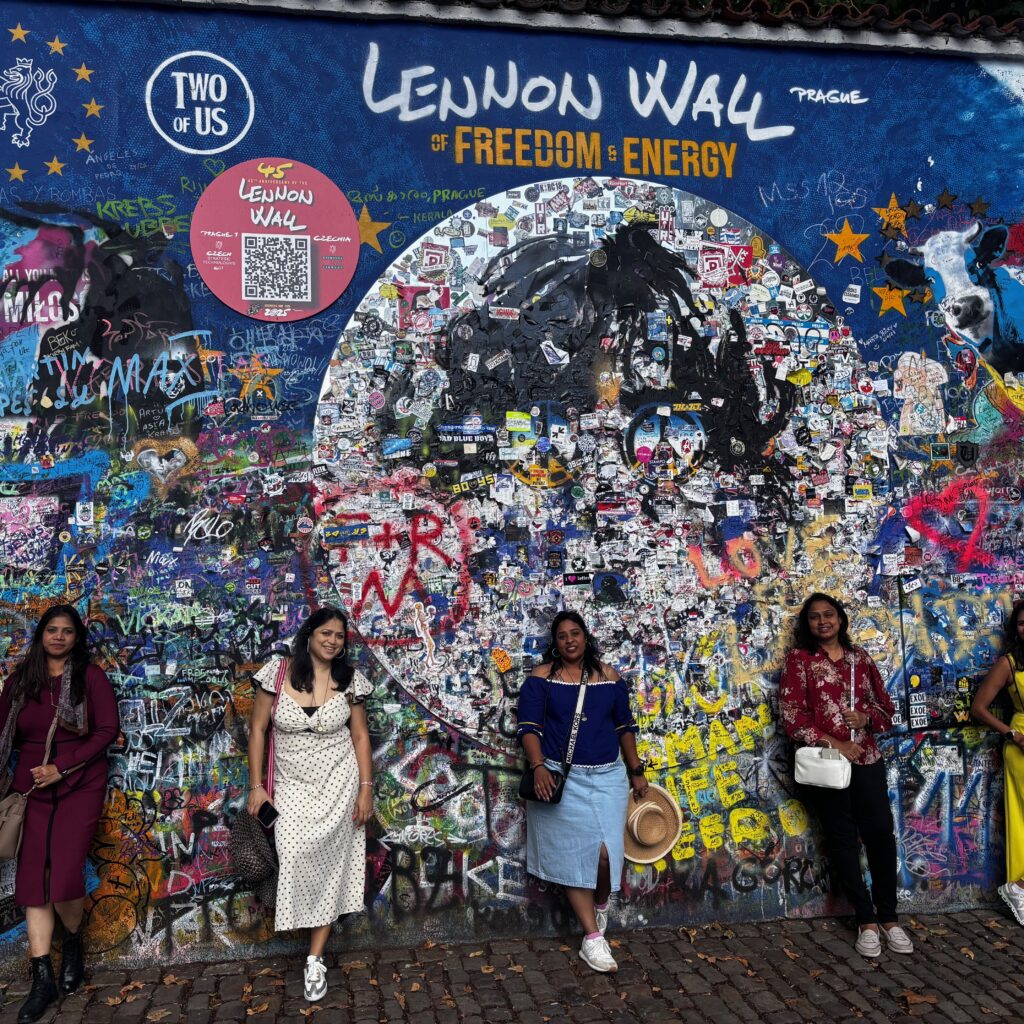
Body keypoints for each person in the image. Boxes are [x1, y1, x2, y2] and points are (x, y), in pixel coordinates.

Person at [0, 605, 119, 1023]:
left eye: (67, 631)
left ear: (76, 638)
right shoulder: (21, 681)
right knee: (33, 877)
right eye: (52, 629)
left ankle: (72, 942)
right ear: (41, 635)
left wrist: (62, 767)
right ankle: (42, 979)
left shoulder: (91, 678)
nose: (58, 637)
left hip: (79, 782)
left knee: (66, 873)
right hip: (30, 787)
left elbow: (107, 730)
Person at [247, 607, 373, 1002]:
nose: (333, 641)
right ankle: (310, 938)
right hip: (291, 786)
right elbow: (257, 729)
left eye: (339, 635)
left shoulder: (349, 680)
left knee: (332, 868)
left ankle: (314, 959)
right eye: (326, 633)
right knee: (294, 853)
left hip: (339, 785)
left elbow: (360, 736)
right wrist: (256, 786)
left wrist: (366, 789)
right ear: (310, 635)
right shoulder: (277, 673)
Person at [779, 592, 913, 958]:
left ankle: (889, 918)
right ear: (807, 624)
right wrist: (837, 743)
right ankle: (866, 921)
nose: (823, 621)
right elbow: (792, 717)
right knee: (842, 841)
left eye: (829, 614)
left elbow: (886, 710)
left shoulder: (860, 659)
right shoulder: (799, 661)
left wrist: (866, 718)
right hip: (827, 765)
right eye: (815, 617)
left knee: (880, 835)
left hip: (867, 760)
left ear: (840, 619)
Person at [516, 610, 648, 974]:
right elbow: (528, 728)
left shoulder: (609, 677)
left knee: (605, 856)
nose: (569, 640)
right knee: (576, 858)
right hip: (561, 778)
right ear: (555, 643)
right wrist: (539, 766)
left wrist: (636, 771)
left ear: (585, 637)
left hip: (608, 777)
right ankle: (592, 939)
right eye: (562, 636)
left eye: (575, 633)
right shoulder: (542, 678)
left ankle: (600, 905)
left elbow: (624, 727)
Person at [970, 598, 1024, 924]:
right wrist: (1012, 735)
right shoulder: (1009, 664)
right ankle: (1019, 886)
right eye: (1022, 623)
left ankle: (1020, 886)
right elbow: (979, 708)